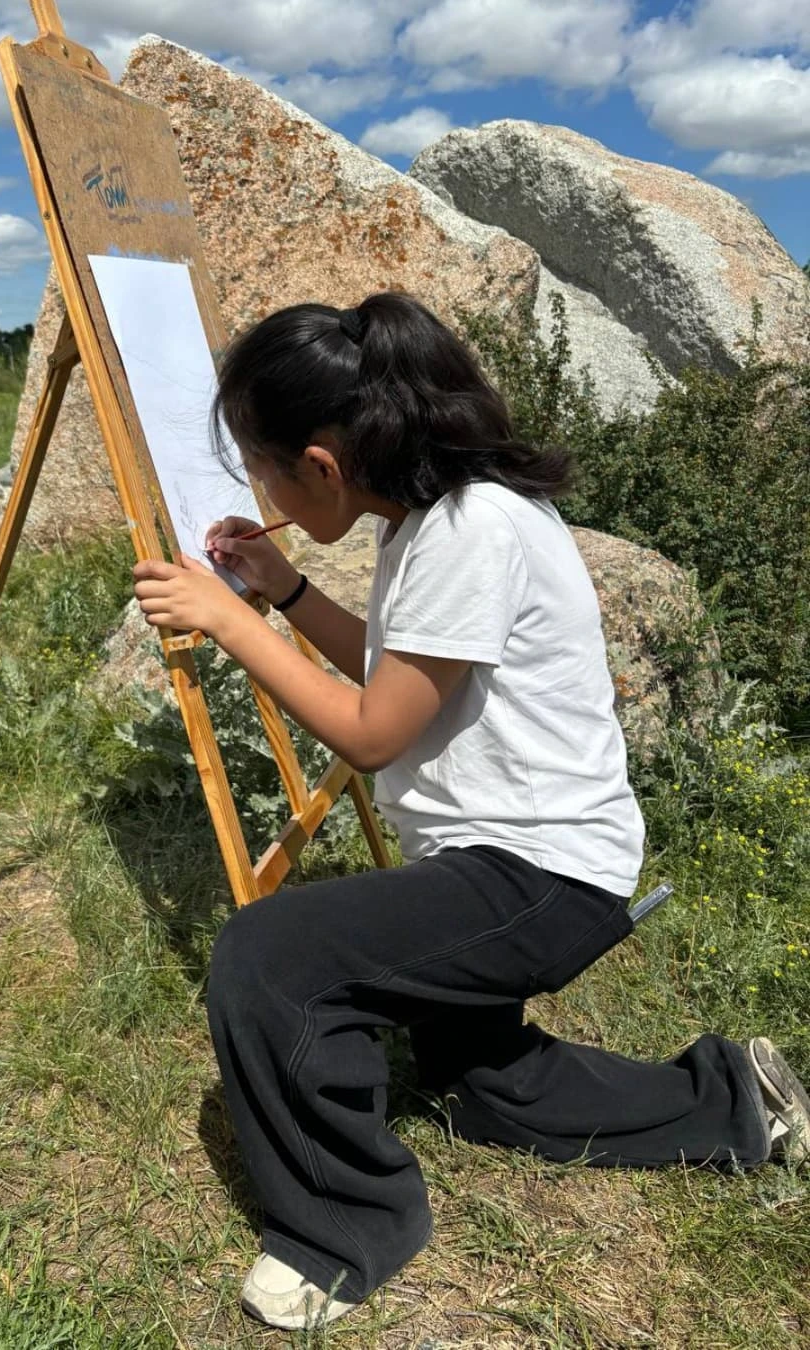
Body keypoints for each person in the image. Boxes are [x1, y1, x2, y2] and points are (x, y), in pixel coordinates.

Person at [132, 292, 810, 1331]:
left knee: (269, 960)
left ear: (321, 465)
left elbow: (372, 731)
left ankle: (345, 1230)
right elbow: (400, 668)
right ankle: (736, 1103)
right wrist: (284, 591)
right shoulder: (434, 515)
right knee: (476, 1082)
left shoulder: (470, 529)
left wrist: (228, 620)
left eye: (261, 470)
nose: (259, 496)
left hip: (541, 875)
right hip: (513, 860)